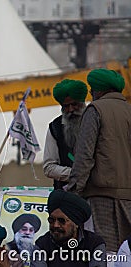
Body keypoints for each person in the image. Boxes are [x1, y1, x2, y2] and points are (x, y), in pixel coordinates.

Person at [66, 69, 131, 252]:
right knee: (127, 255)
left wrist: (72, 192)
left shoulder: (95, 110)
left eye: (91, 91)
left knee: (105, 253)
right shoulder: (129, 110)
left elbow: (84, 157)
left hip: (102, 199)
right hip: (128, 199)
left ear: (99, 90)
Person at [32, 190, 106, 266]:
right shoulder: (42, 244)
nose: (55, 225)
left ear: (76, 224)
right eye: (52, 220)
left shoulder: (94, 244)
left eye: (62, 221)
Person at [43, 79, 87, 190]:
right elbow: (49, 167)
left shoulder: (96, 121)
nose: (71, 109)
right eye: (66, 106)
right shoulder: (55, 128)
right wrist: (74, 174)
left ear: (82, 103)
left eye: (74, 104)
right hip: (67, 193)